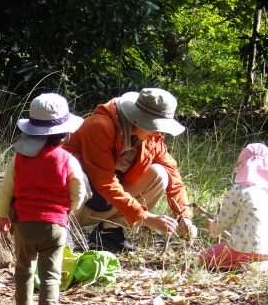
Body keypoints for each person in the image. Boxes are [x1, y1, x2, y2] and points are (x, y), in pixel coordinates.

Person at [0, 93, 89, 305]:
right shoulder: (68, 159)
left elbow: (7, 190)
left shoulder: (19, 157)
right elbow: (78, 191)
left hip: (25, 224)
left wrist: (2, 215)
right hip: (56, 225)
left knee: (24, 268)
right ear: (65, 133)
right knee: (51, 275)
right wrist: (70, 209)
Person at [64, 88, 198, 253]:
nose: (159, 132)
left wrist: (184, 216)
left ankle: (109, 232)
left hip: (102, 203)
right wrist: (144, 217)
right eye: (155, 125)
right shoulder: (100, 126)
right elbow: (104, 181)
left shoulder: (151, 138)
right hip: (72, 207)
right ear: (137, 119)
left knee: (159, 174)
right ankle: (61, 229)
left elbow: (172, 174)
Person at [199, 143, 268, 270]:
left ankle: (247, 265)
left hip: (242, 249)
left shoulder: (241, 189)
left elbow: (224, 219)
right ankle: (266, 262)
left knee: (204, 256)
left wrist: (213, 229)